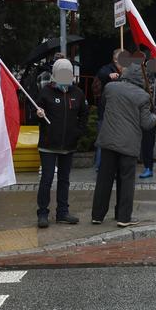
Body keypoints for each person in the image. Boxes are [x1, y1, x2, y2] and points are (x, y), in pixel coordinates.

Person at [91, 60, 156, 227]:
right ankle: (123, 217)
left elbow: (105, 107)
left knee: (104, 179)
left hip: (108, 141)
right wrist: (155, 115)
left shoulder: (110, 88)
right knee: (126, 180)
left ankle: (97, 215)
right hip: (128, 144)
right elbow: (146, 123)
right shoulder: (142, 96)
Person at [35, 59, 89, 228]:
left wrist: (78, 132)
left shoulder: (77, 93)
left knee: (64, 180)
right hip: (48, 144)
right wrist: (37, 113)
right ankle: (43, 213)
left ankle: (62, 212)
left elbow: (84, 115)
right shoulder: (46, 92)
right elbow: (33, 113)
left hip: (68, 144)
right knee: (47, 178)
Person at [93, 49, 124, 171]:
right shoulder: (107, 68)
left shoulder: (126, 70)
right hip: (106, 109)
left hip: (121, 110)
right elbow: (101, 74)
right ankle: (100, 165)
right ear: (115, 59)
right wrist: (109, 75)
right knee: (103, 137)